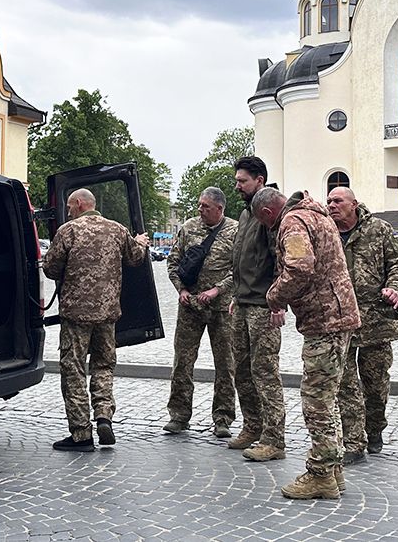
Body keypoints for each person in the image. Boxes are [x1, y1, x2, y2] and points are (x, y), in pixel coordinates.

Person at [253, 187, 361, 500]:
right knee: (328, 397)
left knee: (316, 400)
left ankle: (321, 474)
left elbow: (299, 267)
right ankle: (334, 468)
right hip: (338, 315)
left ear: (268, 214)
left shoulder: (292, 222)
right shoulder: (318, 215)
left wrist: (274, 296)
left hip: (325, 319)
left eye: (266, 225)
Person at [42, 188, 149, 452]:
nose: (67, 211)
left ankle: (81, 434)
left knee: (74, 370)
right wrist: (140, 242)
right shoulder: (117, 229)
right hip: (107, 314)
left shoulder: (68, 231)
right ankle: (104, 416)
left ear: (79, 204)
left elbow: (50, 268)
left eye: (69, 206)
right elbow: (136, 258)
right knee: (103, 367)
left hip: (76, 316)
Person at [326, 187, 398, 463]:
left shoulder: (379, 230)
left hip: (376, 323)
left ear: (354, 204)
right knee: (344, 385)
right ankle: (353, 442)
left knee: (375, 386)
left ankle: (374, 429)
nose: (331, 205)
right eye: (328, 201)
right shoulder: (326, 233)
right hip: (340, 323)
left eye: (337, 201)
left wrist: (395, 287)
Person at [163, 186, 238, 438]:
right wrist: (181, 290)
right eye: (199, 205)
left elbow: (239, 269)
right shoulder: (189, 228)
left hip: (221, 308)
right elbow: (173, 262)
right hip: (190, 307)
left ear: (220, 208)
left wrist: (218, 290)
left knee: (226, 364)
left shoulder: (234, 230)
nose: (200, 209)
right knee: (183, 362)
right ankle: (179, 415)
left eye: (205, 206)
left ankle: (223, 417)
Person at [228, 156, 286, 462]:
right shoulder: (246, 212)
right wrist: (236, 294)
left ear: (260, 180)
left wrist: (277, 301)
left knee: (265, 373)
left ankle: (275, 439)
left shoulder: (269, 211)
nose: (237, 186)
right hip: (243, 302)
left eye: (242, 181)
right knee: (242, 371)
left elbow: (281, 259)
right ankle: (252, 426)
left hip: (264, 306)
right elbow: (242, 258)